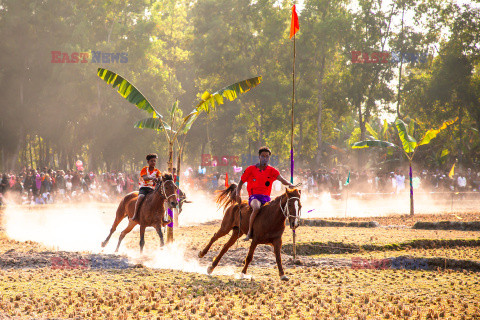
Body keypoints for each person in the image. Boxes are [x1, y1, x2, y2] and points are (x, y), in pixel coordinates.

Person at [236, 146, 295, 241]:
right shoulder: (250, 169)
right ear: (259, 157)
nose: (265, 158)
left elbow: (282, 180)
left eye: (267, 156)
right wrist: (237, 194)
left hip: (267, 198)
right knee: (256, 207)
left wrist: (290, 184)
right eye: (263, 156)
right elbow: (240, 182)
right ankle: (249, 232)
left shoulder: (272, 171)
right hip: (254, 197)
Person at [130, 153, 162, 221]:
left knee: (160, 198)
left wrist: (158, 179)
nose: (153, 162)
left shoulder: (157, 171)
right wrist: (153, 178)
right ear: (148, 162)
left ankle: (162, 217)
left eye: (154, 161)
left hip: (152, 189)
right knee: (141, 197)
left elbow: (159, 178)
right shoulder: (144, 169)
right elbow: (145, 178)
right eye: (151, 161)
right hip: (143, 188)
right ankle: (135, 215)